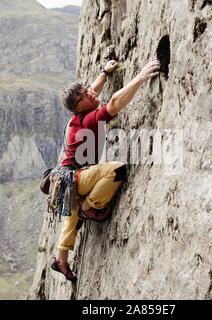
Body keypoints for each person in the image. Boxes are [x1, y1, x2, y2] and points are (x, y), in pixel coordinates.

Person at [51, 59, 161, 282]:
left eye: (87, 92)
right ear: (78, 107)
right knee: (117, 170)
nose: (90, 95)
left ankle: (60, 261)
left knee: (71, 221)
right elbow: (113, 103)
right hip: (72, 179)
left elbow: (94, 89)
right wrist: (139, 78)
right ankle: (90, 206)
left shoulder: (79, 112)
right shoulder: (88, 119)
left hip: (64, 180)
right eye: (84, 97)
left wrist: (104, 72)